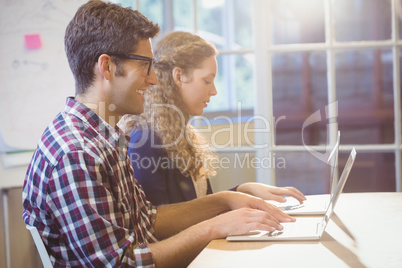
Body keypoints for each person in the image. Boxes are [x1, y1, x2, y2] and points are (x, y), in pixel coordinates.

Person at [22, 1, 296, 267]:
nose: (153, 79)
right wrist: (214, 227)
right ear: (106, 67)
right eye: (145, 65)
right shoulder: (77, 153)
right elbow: (124, 264)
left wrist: (226, 200)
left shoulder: (102, 137)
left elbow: (148, 219)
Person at [121, 31, 306, 206]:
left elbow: (201, 207)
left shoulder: (182, 134)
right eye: (207, 80)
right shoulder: (146, 140)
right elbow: (158, 224)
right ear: (179, 76)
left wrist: (244, 190)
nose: (214, 90)